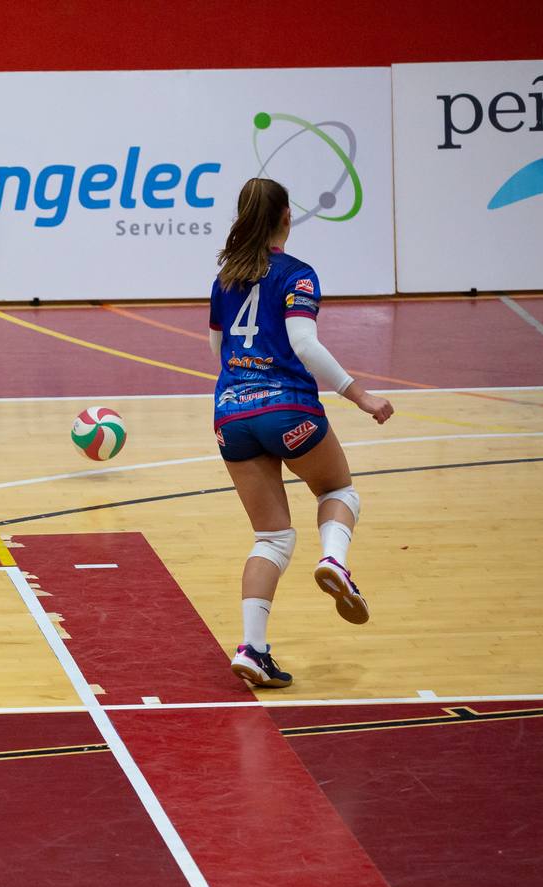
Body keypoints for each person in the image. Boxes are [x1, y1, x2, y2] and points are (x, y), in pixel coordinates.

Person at [208, 177, 394, 689]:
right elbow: (305, 344)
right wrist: (360, 396)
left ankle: (253, 649)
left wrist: (240, 388)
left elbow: (216, 353)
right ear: (287, 217)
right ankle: (334, 559)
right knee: (337, 490)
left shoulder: (225, 279)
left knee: (271, 537)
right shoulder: (297, 275)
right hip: (289, 411)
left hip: (231, 414)